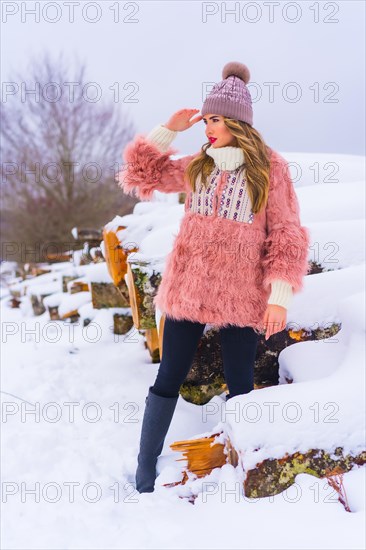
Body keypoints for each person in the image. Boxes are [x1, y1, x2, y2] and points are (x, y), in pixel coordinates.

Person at [116, 61, 310, 493]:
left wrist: (279, 295)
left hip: (241, 294)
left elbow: (286, 232)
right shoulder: (197, 165)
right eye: (206, 119)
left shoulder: (270, 170)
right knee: (169, 374)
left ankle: (247, 468)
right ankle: (146, 466)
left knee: (240, 383)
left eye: (215, 119)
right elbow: (139, 175)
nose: (207, 127)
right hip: (189, 288)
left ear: (238, 122)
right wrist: (167, 129)